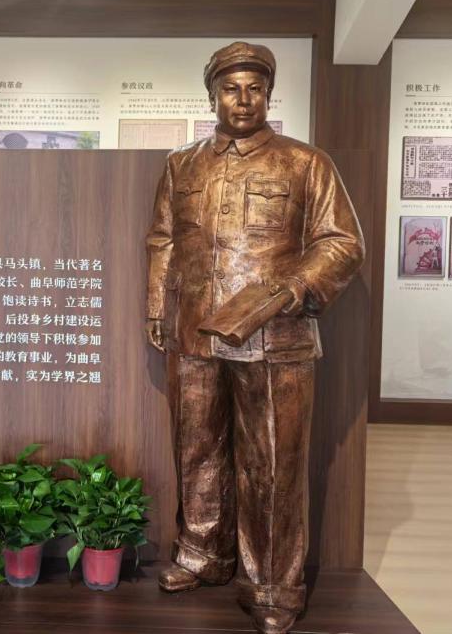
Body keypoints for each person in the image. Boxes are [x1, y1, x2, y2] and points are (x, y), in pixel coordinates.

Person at [145, 42, 364, 634]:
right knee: (196, 448)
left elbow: (343, 242)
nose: (242, 100)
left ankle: (272, 584)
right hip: (194, 329)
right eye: (230, 89)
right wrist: (157, 306)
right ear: (211, 95)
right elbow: (163, 238)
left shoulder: (306, 163)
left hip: (275, 335)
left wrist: (294, 287)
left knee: (272, 461)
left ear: (269, 94)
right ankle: (202, 553)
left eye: (254, 89)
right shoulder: (182, 165)